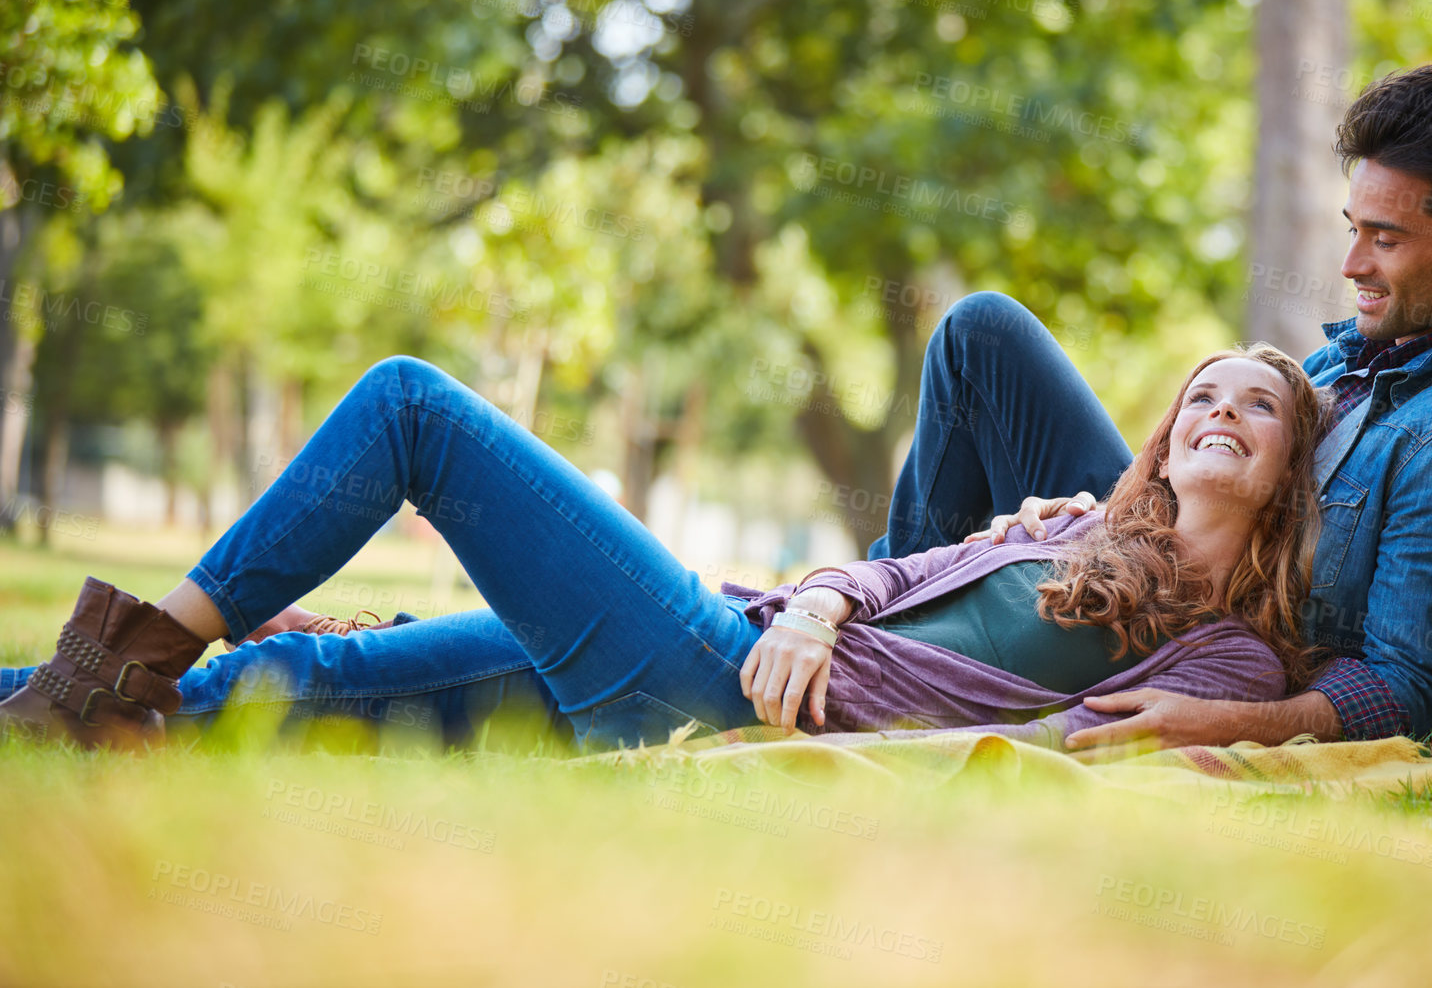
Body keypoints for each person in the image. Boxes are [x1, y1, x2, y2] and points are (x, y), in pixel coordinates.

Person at [0, 345, 1326, 754]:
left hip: (722, 683)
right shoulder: (1071, 529)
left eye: (1258, 404)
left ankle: (119, 653)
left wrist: (1266, 720)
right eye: (1201, 394)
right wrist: (816, 600)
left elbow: (1354, 694)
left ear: (1287, 472)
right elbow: (883, 572)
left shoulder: (1222, 645)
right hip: (754, 638)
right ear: (1163, 435)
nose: (1219, 411)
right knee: (282, 696)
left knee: (414, 406)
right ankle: (83, 705)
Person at [869, 63, 1432, 750]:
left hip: (1197, 639)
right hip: (1158, 557)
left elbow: (1406, 685)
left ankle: (874, 664)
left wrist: (1227, 720)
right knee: (982, 335)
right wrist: (1082, 515)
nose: (1352, 264)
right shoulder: (1355, 355)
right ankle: (873, 621)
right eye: (1353, 230)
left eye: (1385, 239)